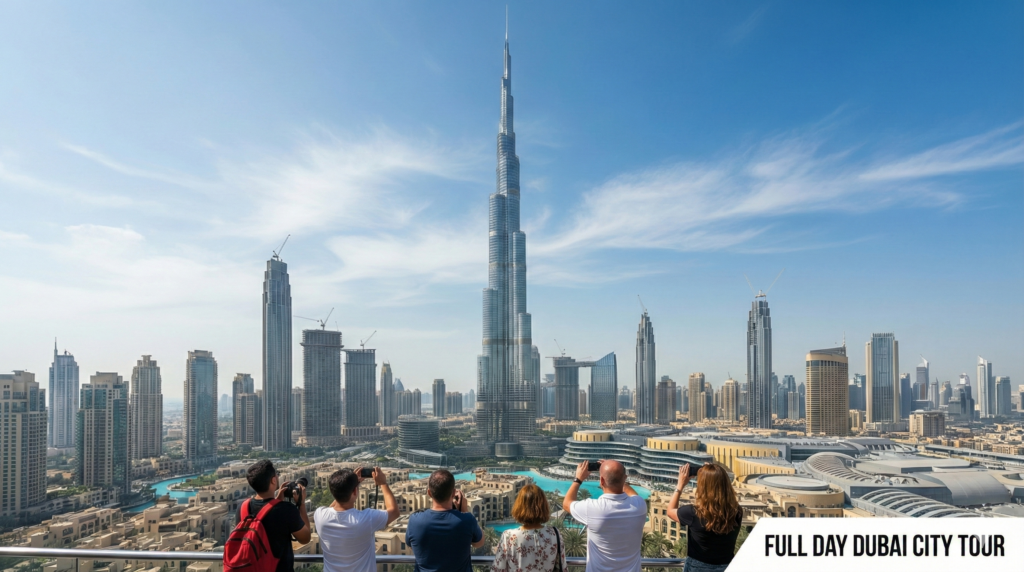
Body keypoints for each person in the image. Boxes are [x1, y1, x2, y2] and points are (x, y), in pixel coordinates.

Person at [562, 460, 647, 572]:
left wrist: (578, 479)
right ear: (625, 478)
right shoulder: (639, 506)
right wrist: (618, 478)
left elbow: (566, 504)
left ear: (601, 481)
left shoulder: (592, 508)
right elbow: (634, 495)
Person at [315, 467, 400, 572]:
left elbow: (334, 505)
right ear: (355, 491)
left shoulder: (319, 515)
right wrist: (383, 483)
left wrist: (350, 486)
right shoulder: (366, 519)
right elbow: (394, 512)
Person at [236, 460, 311, 572]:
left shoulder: (242, 507)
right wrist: (301, 503)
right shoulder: (285, 510)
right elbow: (305, 538)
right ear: (274, 480)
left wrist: (276, 502)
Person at [667, 462, 743, 572]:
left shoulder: (692, 513)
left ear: (703, 487)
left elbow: (670, 511)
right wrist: (714, 471)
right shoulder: (736, 512)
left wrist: (680, 485)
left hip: (697, 568)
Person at [406, 469, 485, 572]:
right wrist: (464, 511)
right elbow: (479, 543)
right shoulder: (467, 520)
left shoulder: (414, 521)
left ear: (429, 493)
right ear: (453, 493)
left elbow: (412, 546)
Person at [490, 483, 566, 572]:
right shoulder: (555, 534)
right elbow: (562, 567)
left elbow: (498, 569)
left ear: (519, 507)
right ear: (543, 506)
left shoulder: (509, 536)